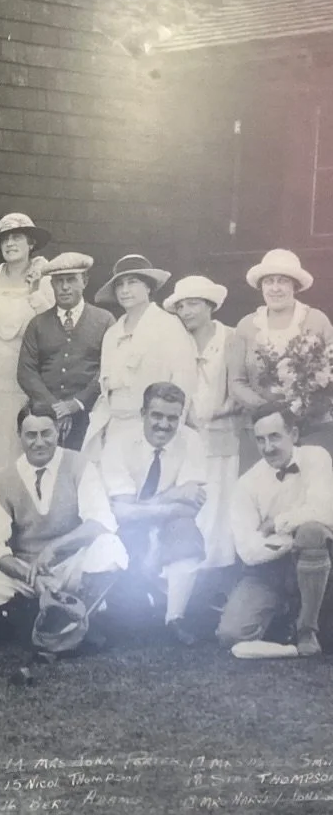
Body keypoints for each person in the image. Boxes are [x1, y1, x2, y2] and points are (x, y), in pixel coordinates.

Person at [0, 404, 127, 654]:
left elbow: (101, 522)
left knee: (110, 547)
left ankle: (79, 616)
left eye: (46, 433)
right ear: (19, 436)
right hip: (29, 574)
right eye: (31, 435)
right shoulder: (5, 478)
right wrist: (30, 576)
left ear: (59, 432)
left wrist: (55, 547)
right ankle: (51, 618)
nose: (39, 442)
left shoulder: (79, 465)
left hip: (72, 567)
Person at [217, 403, 333, 656]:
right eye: (261, 440)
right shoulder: (246, 484)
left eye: (274, 437)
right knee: (231, 634)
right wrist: (293, 537)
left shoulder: (316, 457)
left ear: (293, 434)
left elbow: (326, 513)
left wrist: (276, 524)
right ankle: (287, 614)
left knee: (313, 531)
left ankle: (307, 630)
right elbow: (248, 551)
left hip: (322, 563)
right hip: (269, 572)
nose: (268, 448)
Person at [100, 382, 208, 645]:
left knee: (187, 533)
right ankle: (139, 607)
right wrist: (172, 498)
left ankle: (175, 618)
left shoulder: (191, 440)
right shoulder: (118, 444)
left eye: (173, 418)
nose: (164, 425)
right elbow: (120, 513)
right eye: (156, 416)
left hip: (169, 522)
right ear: (142, 414)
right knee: (128, 619)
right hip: (128, 528)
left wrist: (146, 507)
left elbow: (191, 504)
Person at [0, 213, 54, 487]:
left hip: (20, 365)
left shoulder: (44, 278)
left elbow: (47, 318)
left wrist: (36, 287)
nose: (10, 243)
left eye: (17, 237)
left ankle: (12, 511)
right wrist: (26, 308)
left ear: (31, 243)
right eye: (5, 238)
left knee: (11, 441)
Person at [228, 249, 333, 472]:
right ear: (261, 287)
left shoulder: (316, 320)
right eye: (269, 281)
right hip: (261, 433)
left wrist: (305, 408)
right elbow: (236, 382)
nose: (275, 288)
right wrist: (269, 411)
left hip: (311, 429)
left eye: (282, 281)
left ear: (294, 286)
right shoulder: (247, 326)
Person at [85, 254, 196, 455]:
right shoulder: (113, 332)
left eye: (133, 282)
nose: (125, 290)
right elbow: (105, 389)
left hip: (152, 427)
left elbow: (183, 381)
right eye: (120, 285)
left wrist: (170, 430)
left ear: (148, 287)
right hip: (114, 427)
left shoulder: (168, 325)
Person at [164, 275, 240, 569]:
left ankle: (217, 570)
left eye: (193, 304)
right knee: (192, 502)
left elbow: (240, 388)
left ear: (210, 305)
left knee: (220, 503)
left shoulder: (231, 338)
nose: (186, 312)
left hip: (223, 434)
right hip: (187, 435)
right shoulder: (177, 341)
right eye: (181, 306)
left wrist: (214, 413)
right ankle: (188, 568)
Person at [17, 252, 114, 450]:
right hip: (45, 418)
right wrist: (55, 408)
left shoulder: (104, 320)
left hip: (90, 414)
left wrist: (77, 403)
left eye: (71, 280)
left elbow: (108, 368)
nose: (65, 287)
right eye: (59, 281)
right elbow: (26, 372)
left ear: (84, 281)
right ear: (51, 284)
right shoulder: (38, 324)